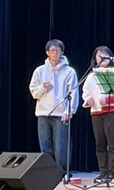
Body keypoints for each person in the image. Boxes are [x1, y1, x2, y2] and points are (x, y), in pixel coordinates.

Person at [28, 39, 79, 173]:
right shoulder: (39, 71)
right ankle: (48, 173)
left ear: (62, 52)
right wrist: (43, 88)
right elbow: (33, 92)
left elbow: (73, 93)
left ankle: (62, 173)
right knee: (45, 146)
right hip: (43, 113)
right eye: (52, 50)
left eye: (58, 50)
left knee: (61, 147)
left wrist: (69, 111)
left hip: (61, 114)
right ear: (47, 52)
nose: (55, 53)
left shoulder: (69, 72)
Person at [81, 46, 114, 183]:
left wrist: (109, 100)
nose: (101, 57)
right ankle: (103, 171)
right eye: (98, 55)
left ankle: (112, 172)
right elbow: (86, 92)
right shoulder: (91, 76)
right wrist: (88, 99)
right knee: (99, 142)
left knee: (112, 142)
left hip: (113, 110)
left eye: (104, 54)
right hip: (96, 111)